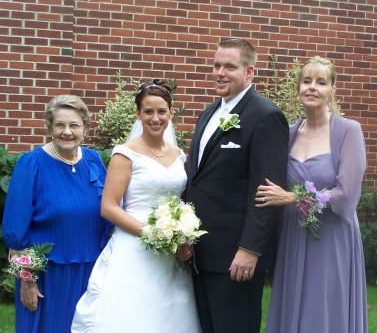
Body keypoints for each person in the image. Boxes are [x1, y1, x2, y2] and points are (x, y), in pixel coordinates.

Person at [71, 79, 201, 333]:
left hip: (171, 251)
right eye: (148, 111)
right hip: (134, 247)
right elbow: (108, 207)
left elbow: (181, 202)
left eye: (161, 111)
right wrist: (153, 234)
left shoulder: (179, 154)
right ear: (138, 114)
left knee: (169, 316)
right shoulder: (125, 154)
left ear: (171, 113)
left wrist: (183, 238)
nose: (155, 118)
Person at [256, 56, 368, 333]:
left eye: (321, 82)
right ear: (298, 89)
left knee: (324, 305)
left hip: (331, 236)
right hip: (293, 234)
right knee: (293, 299)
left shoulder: (347, 131)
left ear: (332, 89)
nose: (312, 88)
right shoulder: (291, 133)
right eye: (306, 81)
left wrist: (294, 198)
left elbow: (347, 195)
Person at [185, 38, 289, 333]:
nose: (220, 72)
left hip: (235, 254)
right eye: (217, 65)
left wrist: (250, 248)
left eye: (230, 66)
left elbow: (267, 191)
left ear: (249, 72)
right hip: (201, 250)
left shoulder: (265, 116)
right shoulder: (209, 113)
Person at [2, 95, 113, 333]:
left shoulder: (94, 161)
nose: (67, 132)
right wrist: (26, 279)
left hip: (91, 272)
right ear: (50, 127)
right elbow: (15, 228)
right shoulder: (32, 163)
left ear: (85, 128)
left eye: (74, 125)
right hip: (47, 276)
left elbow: (110, 209)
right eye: (60, 125)